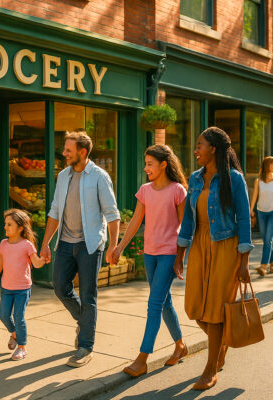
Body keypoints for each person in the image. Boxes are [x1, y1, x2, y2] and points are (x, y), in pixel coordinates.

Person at [174, 127, 253, 391]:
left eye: (200, 145)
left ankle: (210, 370)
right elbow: (187, 218)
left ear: (213, 149)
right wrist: (180, 253)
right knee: (195, 307)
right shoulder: (195, 179)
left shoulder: (234, 179)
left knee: (217, 310)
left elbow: (243, 219)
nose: (195, 150)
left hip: (226, 246)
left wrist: (244, 262)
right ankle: (222, 343)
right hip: (199, 245)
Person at [40, 130, 120, 368]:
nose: (64, 153)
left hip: (90, 244)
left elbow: (112, 214)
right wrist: (44, 243)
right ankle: (83, 320)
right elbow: (55, 212)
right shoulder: (63, 176)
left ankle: (85, 347)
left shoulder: (99, 176)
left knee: (88, 295)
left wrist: (113, 246)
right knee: (60, 288)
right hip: (65, 243)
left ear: (82, 152)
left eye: (68, 150)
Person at [110, 144, 188, 377]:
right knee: (164, 303)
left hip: (169, 254)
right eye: (145, 164)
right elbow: (135, 221)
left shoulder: (178, 190)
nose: (146, 168)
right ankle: (180, 346)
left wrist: (181, 257)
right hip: (150, 254)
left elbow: (185, 227)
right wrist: (119, 247)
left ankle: (142, 358)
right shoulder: (145, 190)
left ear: (163, 165)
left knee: (154, 304)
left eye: (150, 164)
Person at [0, 209, 46, 361]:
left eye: (9, 224)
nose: (5, 227)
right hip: (7, 288)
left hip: (22, 289)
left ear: (20, 228)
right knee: (4, 315)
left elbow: (36, 264)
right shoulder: (3, 244)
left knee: (18, 317)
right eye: (5, 224)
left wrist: (44, 259)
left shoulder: (27, 245)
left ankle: (22, 347)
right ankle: (14, 334)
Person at [249, 156, 273, 276]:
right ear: (268, 166)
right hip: (261, 212)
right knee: (266, 240)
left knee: (268, 240)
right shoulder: (258, 180)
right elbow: (255, 196)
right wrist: (251, 210)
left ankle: (263, 265)